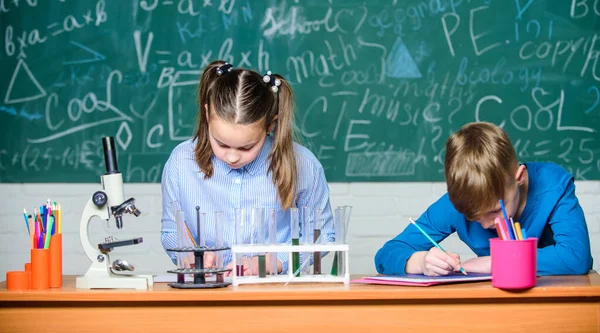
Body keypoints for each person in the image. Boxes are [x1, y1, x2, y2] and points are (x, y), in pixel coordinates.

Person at [161, 60, 334, 276]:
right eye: (221, 143)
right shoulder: (181, 162)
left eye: (247, 147)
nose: (232, 157)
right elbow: (171, 231)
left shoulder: (303, 165)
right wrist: (190, 257)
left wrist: (275, 262)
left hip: (276, 296)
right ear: (207, 115)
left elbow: (322, 235)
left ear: (270, 125)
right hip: (207, 292)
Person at [375, 122, 592, 276]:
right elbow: (386, 255)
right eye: (474, 217)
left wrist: (495, 262)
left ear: (520, 177)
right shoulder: (458, 203)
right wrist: (421, 262)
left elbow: (576, 257)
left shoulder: (553, 185)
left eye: (495, 211)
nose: (487, 224)